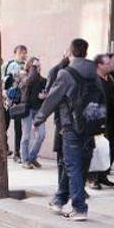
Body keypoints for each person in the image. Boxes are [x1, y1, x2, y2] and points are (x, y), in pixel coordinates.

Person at [34, 38, 102, 222]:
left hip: (71, 125)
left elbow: (52, 99)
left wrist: (38, 120)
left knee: (72, 165)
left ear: (71, 52)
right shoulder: (94, 72)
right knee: (72, 163)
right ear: (86, 52)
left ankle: (79, 208)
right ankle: (59, 199)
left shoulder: (66, 73)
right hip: (90, 124)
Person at [89, 54, 114, 189]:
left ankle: (103, 175)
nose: (110, 66)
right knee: (98, 149)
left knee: (111, 148)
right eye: (107, 64)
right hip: (99, 119)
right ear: (99, 65)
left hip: (112, 118)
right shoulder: (93, 80)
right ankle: (92, 178)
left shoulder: (111, 78)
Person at [46, 51, 71, 190]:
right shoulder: (56, 71)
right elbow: (51, 95)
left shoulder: (78, 71)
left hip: (76, 118)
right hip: (62, 117)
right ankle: (62, 185)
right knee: (63, 153)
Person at [18, 57, 47, 168]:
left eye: (39, 66)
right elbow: (28, 82)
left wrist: (43, 96)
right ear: (30, 67)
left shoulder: (43, 80)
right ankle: (25, 160)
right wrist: (33, 70)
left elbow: (46, 92)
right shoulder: (24, 77)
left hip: (39, 110)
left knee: (41, 135)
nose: (38, 68)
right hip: (27, 109)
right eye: (35, 66)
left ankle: (32, 157)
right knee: (26, 136)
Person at [3, 45, 28, 162]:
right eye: (21, 53)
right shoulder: (7, 65)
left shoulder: (27, 66)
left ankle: (17, 153)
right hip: (8, 99)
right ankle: (3, 147)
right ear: (15, 53)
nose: (23, 55)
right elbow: (2, 81)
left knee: (19, 128)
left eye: (25, 53)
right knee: (4, 125)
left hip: (20, 100)